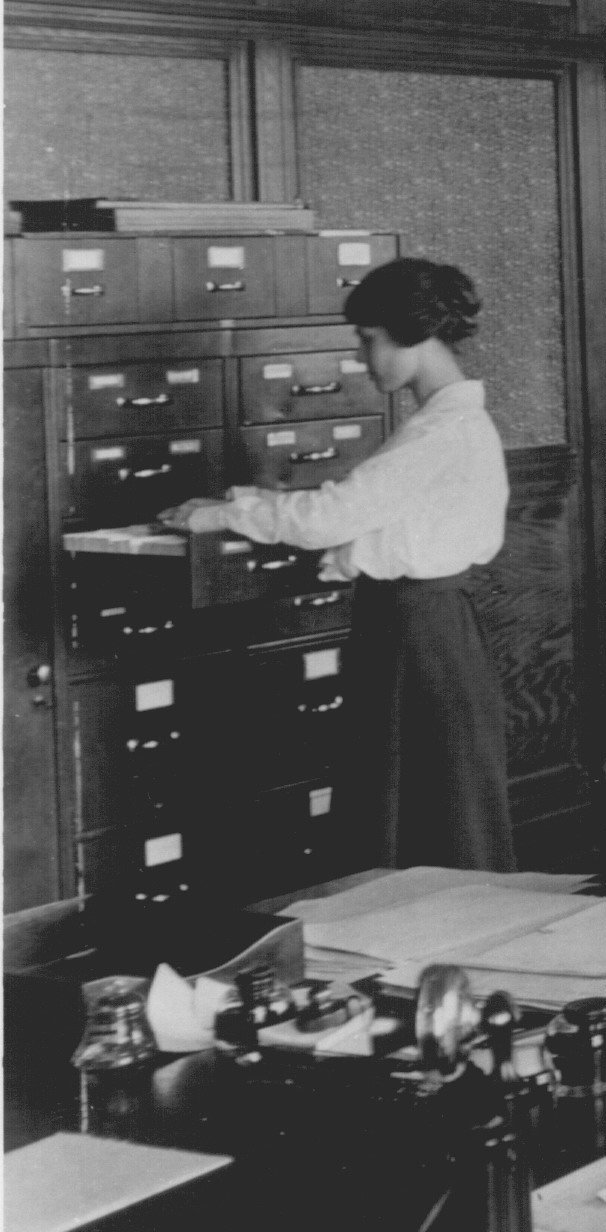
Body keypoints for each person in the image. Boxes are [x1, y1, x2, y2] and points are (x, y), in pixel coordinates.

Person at [162, 257, 513, 870]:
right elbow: (363, 510)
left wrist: (219, 516)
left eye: (368, 339)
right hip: (426, 623)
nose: (361, 356)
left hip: (418, 629)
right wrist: (242, 502)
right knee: (430, 800)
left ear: (414, 333)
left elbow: (330, 518)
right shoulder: (450, 424)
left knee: (432, 807)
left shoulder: (442, 433)